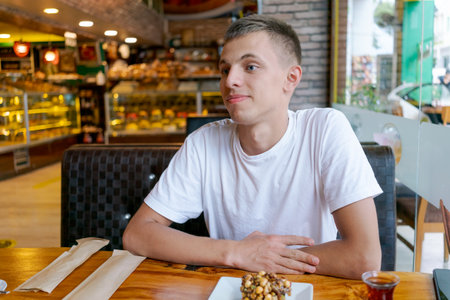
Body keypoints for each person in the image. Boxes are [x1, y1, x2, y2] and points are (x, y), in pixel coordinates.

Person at [123, 14, 382, 280]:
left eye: (250, 67)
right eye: (225, 69)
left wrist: (265, 259)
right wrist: (236, 253)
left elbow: (363, 257)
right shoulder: (203, 143)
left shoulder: (325, 129)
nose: (229, 81)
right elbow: (137, 234)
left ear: (290, 78)